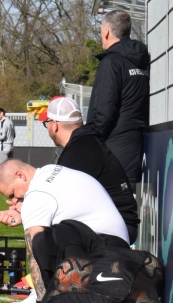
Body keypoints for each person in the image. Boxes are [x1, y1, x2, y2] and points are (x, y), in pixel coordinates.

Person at [0, 158, 163, 303]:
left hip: (102, 249)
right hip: (116, 246)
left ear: (20, 176)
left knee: (52, 235)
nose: (14, 200)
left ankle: (57, 298)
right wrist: (24, 212)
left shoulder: (36, 194)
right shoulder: (51, 171)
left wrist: (42, 302)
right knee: (58, 232)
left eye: (12, 193)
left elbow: (34, 248)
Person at [34, 96, 139, 243]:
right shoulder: (86, 141)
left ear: (55, 125)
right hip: (121, 222)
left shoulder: (78, 151)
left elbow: (59, 199)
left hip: (116, 229)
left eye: (47, 123)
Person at [87, 9, 150, 185]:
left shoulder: (111, 62)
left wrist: (91, 141)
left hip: (113, 152)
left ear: (106, 32)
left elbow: (104, 110)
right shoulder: (142, 61)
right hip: (135, 149)